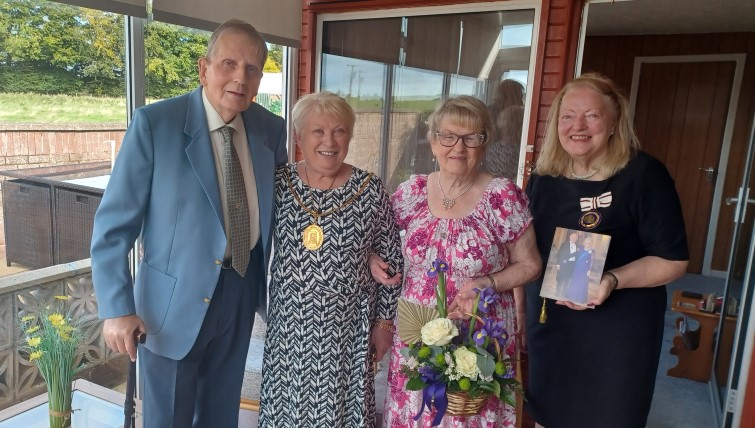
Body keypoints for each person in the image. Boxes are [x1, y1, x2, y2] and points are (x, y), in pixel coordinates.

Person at [90, 20, 287, 427]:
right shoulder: (155, 124)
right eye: (228, 63)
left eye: (252, 69)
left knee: (220, 414)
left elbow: (288, 211)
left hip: (240, 291)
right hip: (169, 303)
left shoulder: (270, 129)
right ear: (203, 69)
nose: (239, 77)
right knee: (169, 419)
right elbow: (113, 227)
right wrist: (116, 307)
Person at [524, 73, 689, 428]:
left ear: (614, 122)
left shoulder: (644, 174)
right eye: (568, 116)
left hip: (619, 328)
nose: (577, 126)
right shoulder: (544, 176)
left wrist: (612, 279)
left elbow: (672, 260)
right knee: (548, 413)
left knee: (610, 415)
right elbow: (531, 251)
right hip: (553, 322)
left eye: (592, 116)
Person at [378, 95, 542, 427]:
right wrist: (371, 259)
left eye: (471, 137)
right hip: (418, 331)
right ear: (433, 140)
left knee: (467, 416)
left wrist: (488, 282)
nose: (458, 147)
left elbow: (530, 264)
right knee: (415, 413)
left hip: (478, 335)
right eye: (448, 136)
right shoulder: (413, 192)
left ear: (485, 143)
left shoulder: (501, 197)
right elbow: (376, 238)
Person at [258, 91, 403, 428]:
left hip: (348, 333)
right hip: (289, 331)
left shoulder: (370, 190)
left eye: (339, 131)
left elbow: (393, 261)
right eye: (317, 131)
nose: (329, 141)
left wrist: (383, 326)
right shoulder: (278, 184)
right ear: (298, 137)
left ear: (349, 136)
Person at [565, 236, 593, 304]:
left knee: (582, 283)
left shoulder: (592, 251)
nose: (587, 243)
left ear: (590, 243)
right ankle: (572, 296)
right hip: (577, 269)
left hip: (584, 270)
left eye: (589, 242)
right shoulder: (579, 249)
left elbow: (592, 262)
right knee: (574, 281)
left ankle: (580, 299)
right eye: (586, 242)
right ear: (584, 242)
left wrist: (589, 270)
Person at [555, 231, 579, 297]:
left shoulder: (576, 246)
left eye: (576, 238)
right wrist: (558, 264)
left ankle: (563, 294)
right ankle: (557, 293)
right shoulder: (564, 244)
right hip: (564, 264)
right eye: (573, 237)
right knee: (560, 279)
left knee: (567, 280)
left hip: (571, 265)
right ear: (570, 237)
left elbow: (577, 257)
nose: (574, 238)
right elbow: (560, 254)